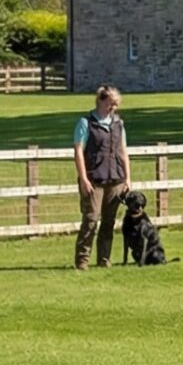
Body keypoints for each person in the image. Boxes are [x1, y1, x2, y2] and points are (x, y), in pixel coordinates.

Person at [72, 85, 131, 269]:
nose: (113, 108)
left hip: (115, 178)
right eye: (111, 104)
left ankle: (104, 259)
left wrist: (127, 178)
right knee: (90, 219)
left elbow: (123, 151)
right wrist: (83, 178)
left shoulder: (118, 124)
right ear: (101, 100)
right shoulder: (85, 123)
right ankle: (82, 260)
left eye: (116, 105)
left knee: (109, 221)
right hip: (94, 178)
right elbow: (78, 151)